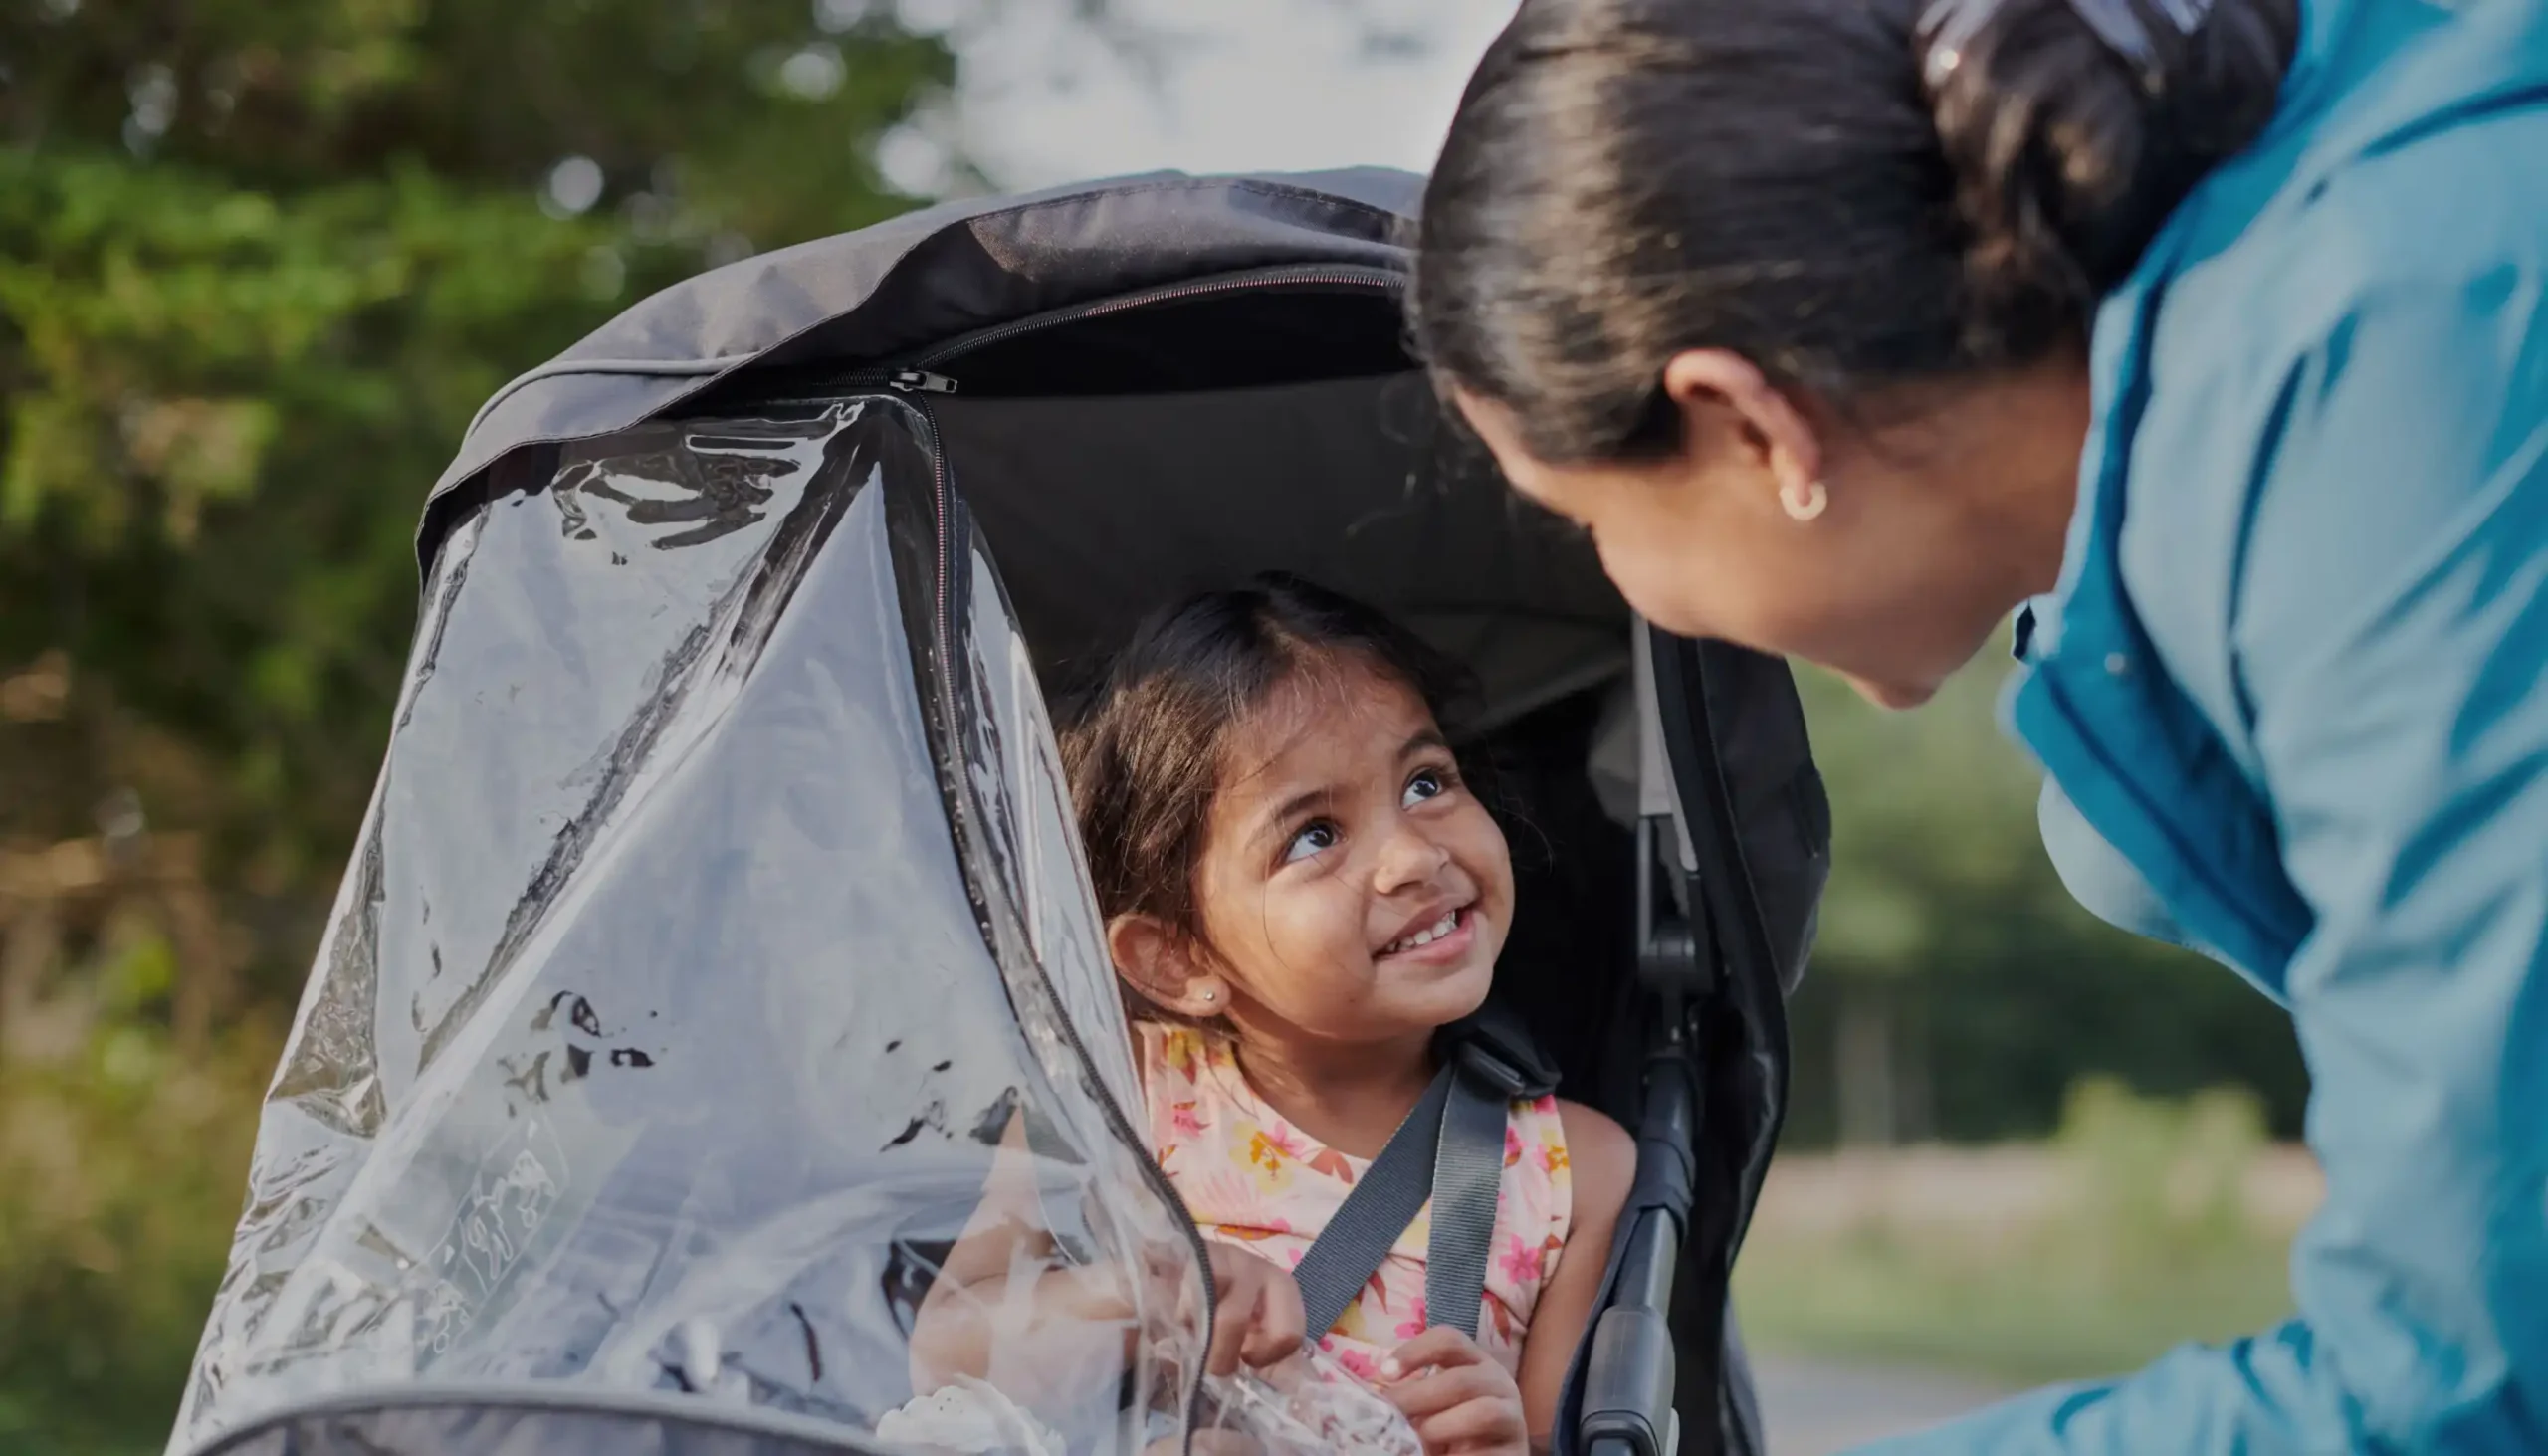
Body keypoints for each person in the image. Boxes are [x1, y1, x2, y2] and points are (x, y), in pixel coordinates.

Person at [1407, 0, 2548, 1449]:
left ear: (1753, 426)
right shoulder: (2231, 399)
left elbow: (2471, 1370)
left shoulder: (2388, 365)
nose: (1627, 588)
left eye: (1589, 524)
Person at [914, 576, 1635, 1456]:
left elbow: (1556, 1432)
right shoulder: (1115, 1093)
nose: (1412, 854)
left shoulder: (1576, 1171)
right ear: (1180, 960)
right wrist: (1141, 1294)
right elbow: (949, 1348)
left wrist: (1505, 1442)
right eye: (1315, 836)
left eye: (1425, 781)